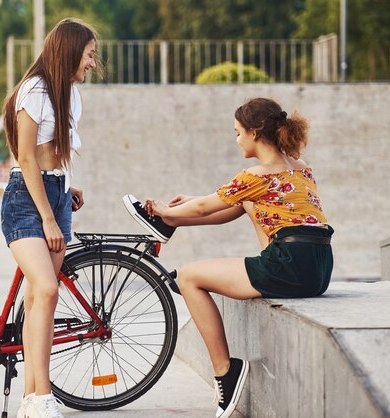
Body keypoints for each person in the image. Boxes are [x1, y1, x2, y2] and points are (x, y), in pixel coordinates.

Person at [123, 97, 333, 418]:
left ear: (254, 132)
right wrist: (181, 210)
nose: (236, 140)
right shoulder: (299, 169)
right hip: (319, 267)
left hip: (287, 265)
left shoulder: (255, 174)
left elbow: (209, 206)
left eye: (237, 133)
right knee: (245, 203)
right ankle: (168, 225)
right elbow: (226, 204)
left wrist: (165, 208)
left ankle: (226, 372)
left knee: (188, 277)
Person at [0, 18, 98, 418]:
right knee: (47, 289)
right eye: (90, 54)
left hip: (53, 194)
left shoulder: (70, 95)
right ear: (70, 51)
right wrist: (48, 218)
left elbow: (55, 156)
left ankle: (31, 397)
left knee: (40, 298)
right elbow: (26, 159)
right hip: (26, 200)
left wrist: (66, 186)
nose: (92, 63)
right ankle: (41, 398)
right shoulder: (35, 91)